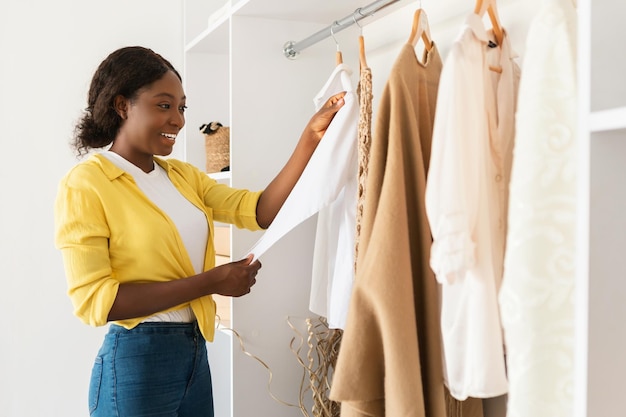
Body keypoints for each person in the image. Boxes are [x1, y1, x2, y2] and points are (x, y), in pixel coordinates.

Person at [54, 45, 345, 417]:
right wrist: (212, 282)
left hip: (193, 352)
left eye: (181, 107)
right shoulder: (87, 183)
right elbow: (97, 301)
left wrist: (311, 139)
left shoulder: (183, 177)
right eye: (164, 105)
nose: (177, 120)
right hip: (136, 361)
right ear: (122, 105)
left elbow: (260, 211)